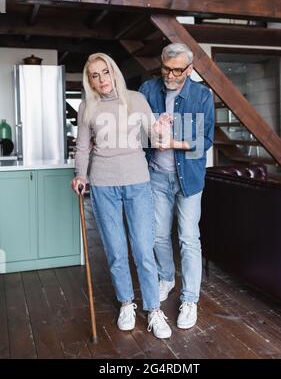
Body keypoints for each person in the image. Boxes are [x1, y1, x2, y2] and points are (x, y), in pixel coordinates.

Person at [71, 52, 173, 339]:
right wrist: (80, 174)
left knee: (143, 249)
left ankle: (153, 309)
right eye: (95, 75)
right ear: (89, 80)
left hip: (138, 182)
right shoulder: (86, 108)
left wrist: (162, 129)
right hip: (103, 185)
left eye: (105, 72)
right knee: (116, 251)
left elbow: (156, 140)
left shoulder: (136, 100)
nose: (102, 79)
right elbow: (81, 147)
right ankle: (126, 303)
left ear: (114, 71)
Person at [139, 43, 214, 329]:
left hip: (189, 179)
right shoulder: (148, 90)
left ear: (190, 69)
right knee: (158, 235)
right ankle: (167, 278)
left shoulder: (201, 95)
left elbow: (205, 141)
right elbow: (136, 129)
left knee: (187, 238)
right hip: (156, 174)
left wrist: (173, 142)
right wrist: (151, 132)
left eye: (177, 70)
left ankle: (190, 299)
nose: (170, 75)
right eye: (166, 68)